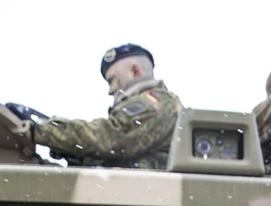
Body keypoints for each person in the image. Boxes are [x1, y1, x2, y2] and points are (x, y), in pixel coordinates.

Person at [28, 44, 181, 169]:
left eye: (112, 80)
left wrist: (41, 129)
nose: (110, 90)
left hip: (139, 196)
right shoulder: (156, 103)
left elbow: (112, 137)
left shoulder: (157, 102)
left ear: (135, 71)